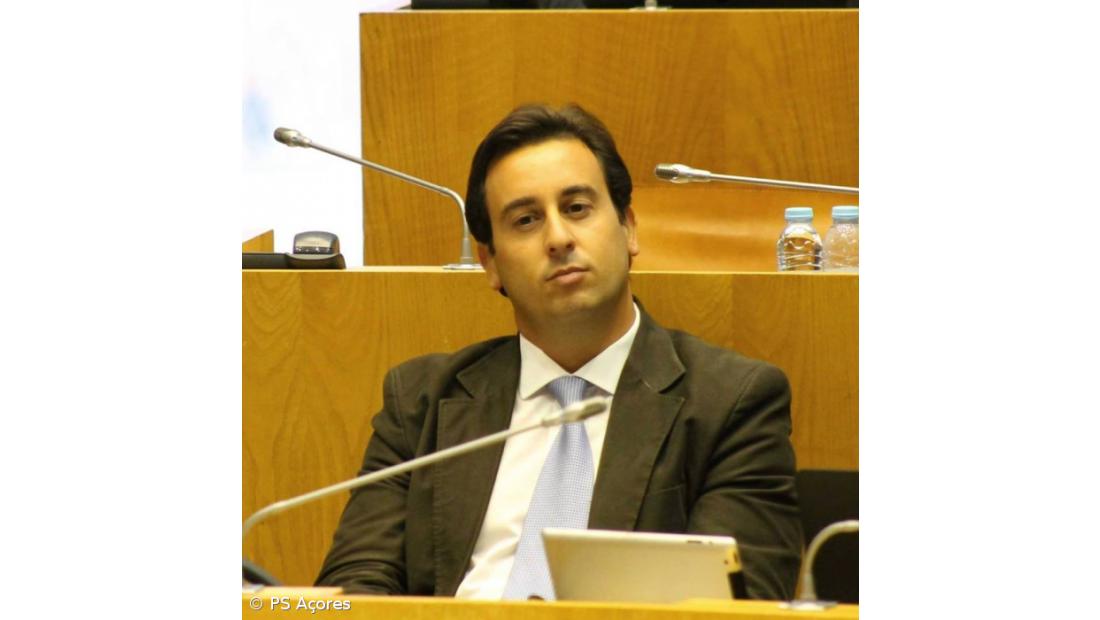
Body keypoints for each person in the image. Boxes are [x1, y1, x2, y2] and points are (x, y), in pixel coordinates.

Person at [315, 104, 802, 600]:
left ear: (628, 228)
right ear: (490, 263)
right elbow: (353, 588)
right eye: (526, 220)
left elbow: (739, 605)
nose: (559, 238)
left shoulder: (729, 403)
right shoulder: (420, 404)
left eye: (577, 208)